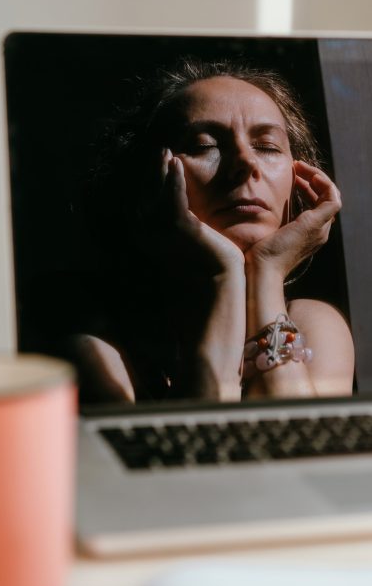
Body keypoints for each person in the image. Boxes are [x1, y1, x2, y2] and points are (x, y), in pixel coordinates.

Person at [73, 59, 355, 404]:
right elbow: (202, 444)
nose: (246, 163)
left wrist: (266, 272)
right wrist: (224, 274)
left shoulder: (314, 325)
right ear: (148, 181)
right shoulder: (102, 351)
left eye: (267, 147)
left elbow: (304, 445)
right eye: (205, 146)